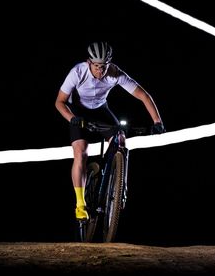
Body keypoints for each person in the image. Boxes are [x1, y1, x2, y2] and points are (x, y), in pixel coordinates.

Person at [55, 41, 165, 221]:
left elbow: (143, 96)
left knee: (121, 139)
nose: (101, 71)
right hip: (79, 112)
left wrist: (157, 121)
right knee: (80, 152)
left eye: (104, 67)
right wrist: (72, 118)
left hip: (100, 110)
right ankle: (80, 204)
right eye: (97, 67)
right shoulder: (77, 72)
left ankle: (120, 184)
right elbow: (59, 102)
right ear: (89, 62)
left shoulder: (115, 72)